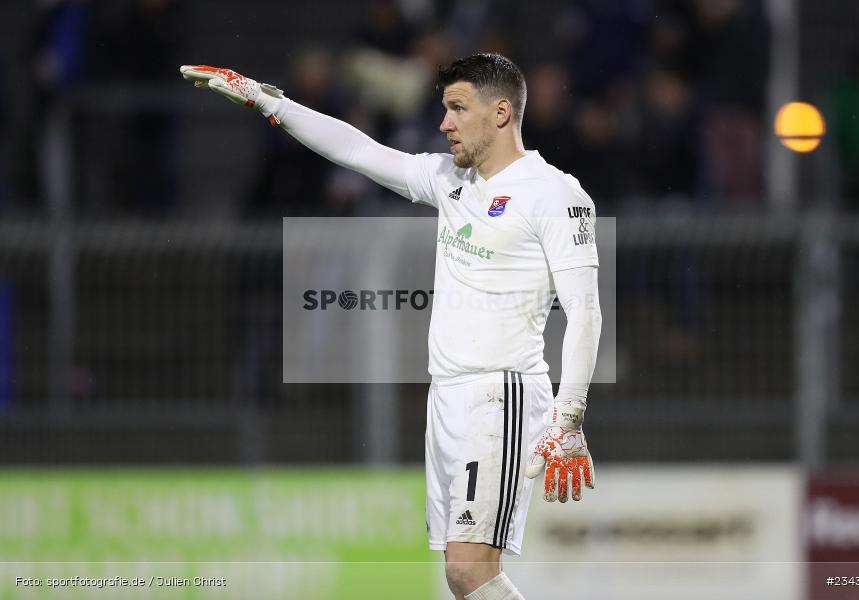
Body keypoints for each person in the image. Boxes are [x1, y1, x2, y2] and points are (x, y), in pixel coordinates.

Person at [180, 53, 602, 600]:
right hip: (446, 398)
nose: (444, 122)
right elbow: (359, 150)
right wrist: (270, 102)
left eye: (456, 108)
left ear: (501, 113)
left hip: (502, 394)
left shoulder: (555, 193)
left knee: (470, 570)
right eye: (443, 109)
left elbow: (585, 312)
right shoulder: (449, 179)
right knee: (460, 575)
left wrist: (568, 417)